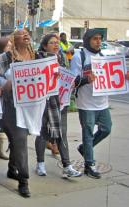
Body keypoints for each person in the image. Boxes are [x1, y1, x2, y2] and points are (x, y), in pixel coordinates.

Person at [0, 29, 46, 198]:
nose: (26, 35)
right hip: (13, 107)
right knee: (21, 140)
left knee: (18, 141)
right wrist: (6, 83)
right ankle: (24, 180)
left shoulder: (38, 57)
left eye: (28, 33)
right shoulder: (5, 58)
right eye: (21, 33)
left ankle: (11, 168)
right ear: (14, 39)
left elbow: (47, 76)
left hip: (33, 107)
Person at [34, 33, 82, 178]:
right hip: (44, 100)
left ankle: (67, 166)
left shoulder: (61, 58)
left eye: (57, 42)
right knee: (43, 132)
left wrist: (72, 81)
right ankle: (40, 164)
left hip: (60, 101)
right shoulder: (38, 59)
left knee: (62, 133)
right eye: (52, 43)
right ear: (44, 45)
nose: (56, 45)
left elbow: (71, 75)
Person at [71, 29, 112, 179]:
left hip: (102, 103)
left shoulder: (103, 56)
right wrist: (86, 79)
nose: (98, 42)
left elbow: (112, 78)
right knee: (87, 134)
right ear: (88, 40)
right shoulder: (79, 56)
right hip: (86, 103)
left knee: (107, 128)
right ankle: (89, 164)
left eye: (100, 39)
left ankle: (84, 149)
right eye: (95, 39)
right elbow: (73, 80)